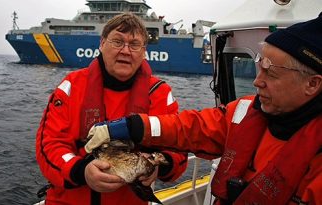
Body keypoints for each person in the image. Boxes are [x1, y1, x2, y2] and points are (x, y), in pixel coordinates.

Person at [85, 14, 322, 204]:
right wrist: (129, 126)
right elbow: (190, 127)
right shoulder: (243, 111)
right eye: (258, 68)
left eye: (270, 73)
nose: (256, 81)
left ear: (312, 83)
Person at [35, 13, 187, 205]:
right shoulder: (71, 87)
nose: (125, 51)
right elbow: (49, 146)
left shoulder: (159, 93)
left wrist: (158, 167)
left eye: (134, 44)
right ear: (102, 43)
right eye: (117, 41)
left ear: (144, 51)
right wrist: (81, 171)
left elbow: (179, 152)